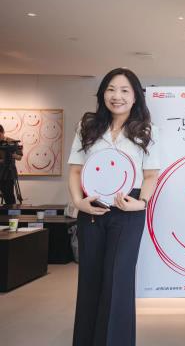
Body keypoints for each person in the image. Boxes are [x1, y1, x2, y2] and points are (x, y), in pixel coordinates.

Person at [67, 68, 160, 346]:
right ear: (103, 94)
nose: (116, 96)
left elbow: (151, 176)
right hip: (91, 208)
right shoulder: (87, 126)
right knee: (90, 279)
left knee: (118, 281)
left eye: (124, 90)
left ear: (135, 97)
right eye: (110, 89)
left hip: (129, 211)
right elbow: (74, 171)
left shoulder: (147, 130)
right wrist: (78, 202)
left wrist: (141, 203)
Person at [0, 124, 23, 205]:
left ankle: (11, 211)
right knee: (5, 194)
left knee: (9, 195)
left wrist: (12, 155)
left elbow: (19, 157)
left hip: (9, 173)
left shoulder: (12, 142)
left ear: (3, 132)